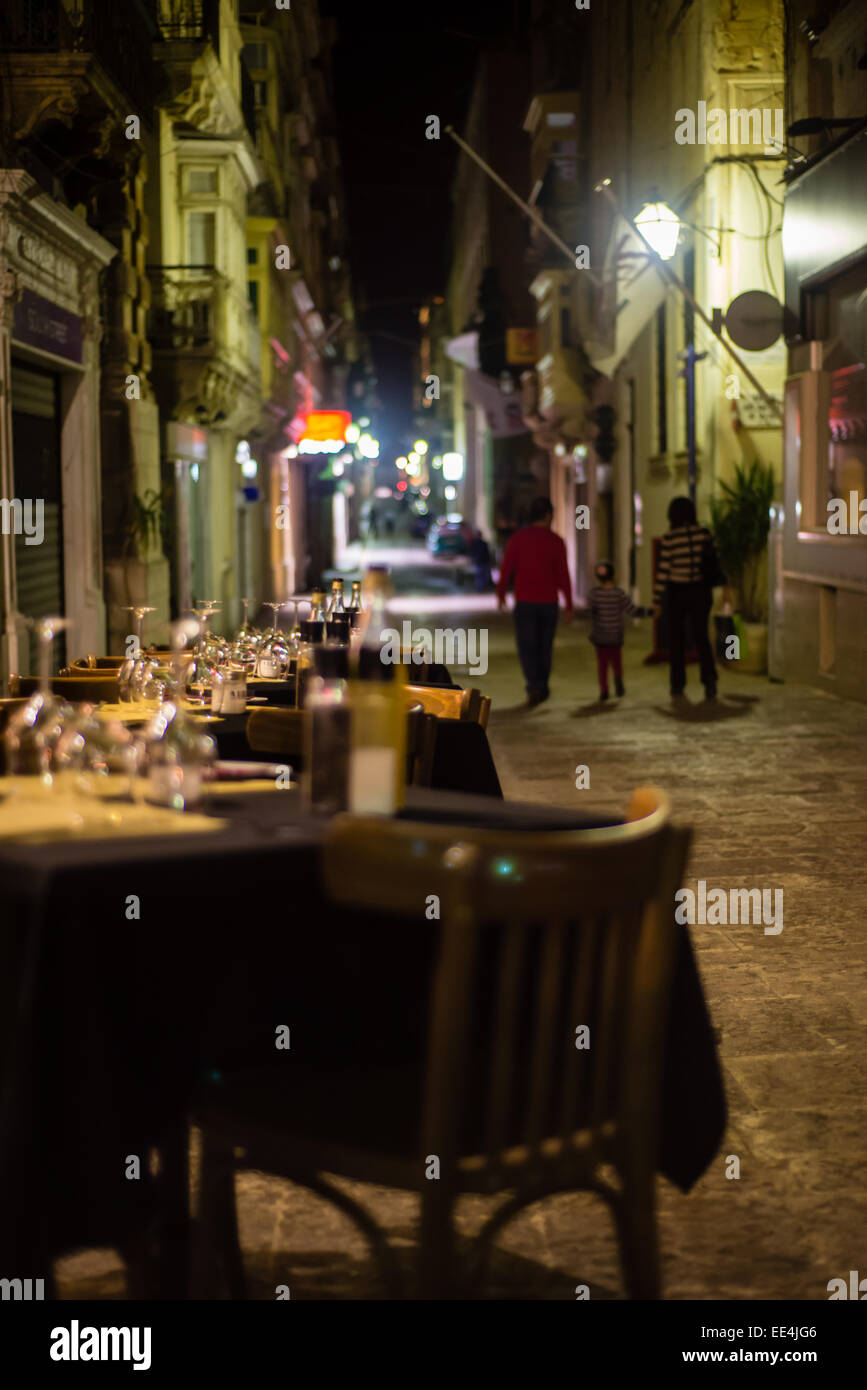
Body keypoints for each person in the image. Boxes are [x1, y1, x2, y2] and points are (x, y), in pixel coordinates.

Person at [496, 495, 573, 707]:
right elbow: (563, 575)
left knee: (527, 646)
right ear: (548, 515)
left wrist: (501, 593)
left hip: (526, 602)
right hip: (549, 602)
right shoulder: (556, 541)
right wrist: (569, 604)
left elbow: (507, 568)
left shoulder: (518, 539)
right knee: (545, 646)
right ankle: (542, 684)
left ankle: (534, 685)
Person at [652, 495, 726, 700]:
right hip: (701, 591)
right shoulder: (704, 534)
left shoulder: (670, 538)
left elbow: (664, 571)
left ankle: (678, 684)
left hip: (678, 592)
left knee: (677, 639)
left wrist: (657, 599)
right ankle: (709, 680)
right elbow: (715, 560)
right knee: (701, 636)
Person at [589, 561, 651, 700]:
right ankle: (618, 679)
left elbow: (592, 613)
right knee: (616, 660)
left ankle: (604, 690)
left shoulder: (594, 595)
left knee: (602, 664)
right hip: (616, 635)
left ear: (598, 578)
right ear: (613, 575)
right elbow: (633, 611)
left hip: (601, 636)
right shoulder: (619, 594)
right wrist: (650, 612)